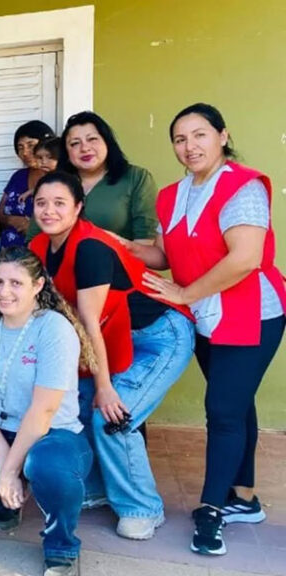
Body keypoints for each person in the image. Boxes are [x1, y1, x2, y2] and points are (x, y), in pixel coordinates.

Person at [129, 103, 285, 556]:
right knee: (236, 404)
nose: (189, 146)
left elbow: (245, 258)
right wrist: (121, 245)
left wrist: (184, 294)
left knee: (222, 409)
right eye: (180, 139)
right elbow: (164, 254)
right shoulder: (172, 195)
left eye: (199, 135)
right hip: (207, 314)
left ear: (222, 135)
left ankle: (212, 509)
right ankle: (245, 497)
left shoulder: (243, 185)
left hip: (252, 310)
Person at [30, 170, 194, 540]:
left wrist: (104, 386)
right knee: (77, 402)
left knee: (113, 415)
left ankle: (143, 508)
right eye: (42, 203)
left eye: (60, 203)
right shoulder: (40, 246)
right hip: (110, 337)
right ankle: (100, 487)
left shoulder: (90, 247)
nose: (49, 210)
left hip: (158, 337)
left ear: (78, 208)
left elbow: (88, 320)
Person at [0, 247, 96, 576]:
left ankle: (60, 545)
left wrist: (10, 470)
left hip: (53, 432)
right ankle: (7, 495)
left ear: (38, 285)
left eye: (16, 283)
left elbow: (44, 409)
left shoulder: (53, 329)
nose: (4, 291)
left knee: (47, 466)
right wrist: (3, 460)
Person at [28, 111, 158, 242]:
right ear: (66, 152)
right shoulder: (54, 183)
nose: (85, 148)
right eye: (75, 143)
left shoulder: (136, 178)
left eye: (92, 139)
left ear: (107, 142)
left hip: (118, 261)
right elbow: (33, 239)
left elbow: (146, 240)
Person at [0, 120, 54, 249]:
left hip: (43, 253)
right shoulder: (18, 177)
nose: (25, 152)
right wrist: (14, 221)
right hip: (9, 254)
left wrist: (33, 226)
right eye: (20, 147)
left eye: (30, 144)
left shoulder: (60, 179)